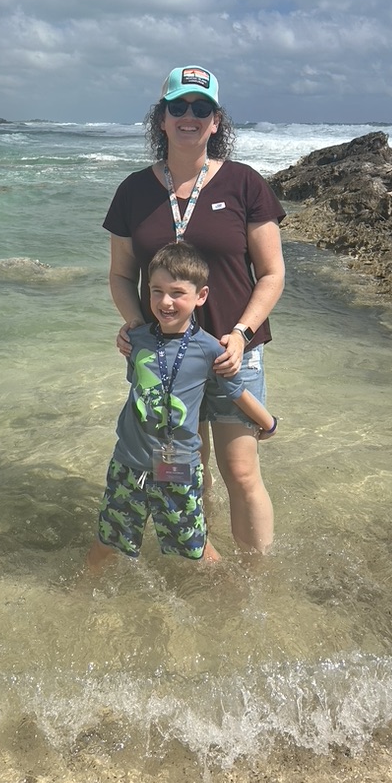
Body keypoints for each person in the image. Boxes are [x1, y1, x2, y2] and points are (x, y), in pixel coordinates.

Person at [102, 65, 286, 554]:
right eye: (177, 107)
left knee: (241, 471)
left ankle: (256, 580)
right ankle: (197, 567)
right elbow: (121, 275)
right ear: (160, 118)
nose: (189, 116)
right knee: (179, 468)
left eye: (200, 108)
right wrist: (137, 328)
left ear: (216, 121)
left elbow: (271, 274)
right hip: (163, 360)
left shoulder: (244, 185)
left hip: (231, 354)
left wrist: (242, 334)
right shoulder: (134, 192)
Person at [86, 241, 278, 571]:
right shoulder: (137, 341)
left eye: (177, 292)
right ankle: (77, 597)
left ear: (200, 296)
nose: (165, 301)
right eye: (156, 291)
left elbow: (236, 393)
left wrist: (269, 423)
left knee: (194, 549)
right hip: (128, 462)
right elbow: (140, 389)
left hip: (175, 468)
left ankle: (235, 591)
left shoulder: (210, 349)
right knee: (108, 542)